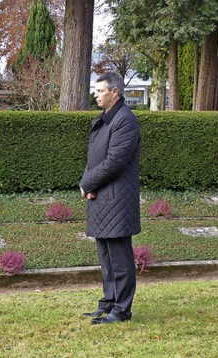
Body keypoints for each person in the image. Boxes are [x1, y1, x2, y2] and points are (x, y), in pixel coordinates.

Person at [79, 72, 141, 325]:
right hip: (101, 195)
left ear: (115, 92)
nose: (95, 94)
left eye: (100, 90)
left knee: (120, 258)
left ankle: (122, 309)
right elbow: (93, 159)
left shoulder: (125, 121)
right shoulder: (105, 120)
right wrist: (87, 184)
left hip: (116, 199)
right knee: (106, 256)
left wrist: (88, 183)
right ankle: (108, 302)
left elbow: (115, 161)